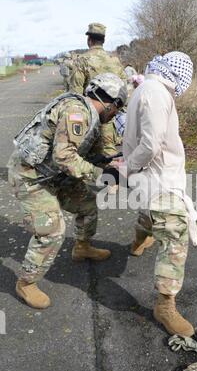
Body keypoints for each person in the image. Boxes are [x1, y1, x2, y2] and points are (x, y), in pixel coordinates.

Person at [7, 73, 127, 310]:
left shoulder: (90, 118)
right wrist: (103, 175)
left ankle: (82, 248)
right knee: (52, 230)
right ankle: (26, 282)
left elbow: (87, 155)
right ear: (111, 103)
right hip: (31, 177)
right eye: (117, 109)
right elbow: (65, 158)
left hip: (54, 174)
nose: (115, 115)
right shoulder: (77, 112)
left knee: (88, 205)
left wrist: (110, 163)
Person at [122, 51, 197, 338]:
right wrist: (128, 168)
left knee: (150, 215)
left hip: (151, 179)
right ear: (178, 74)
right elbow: (151, 144)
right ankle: (165, 307)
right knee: (175, 235)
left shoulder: (147, 88)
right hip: (159, 179)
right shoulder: (156, 92)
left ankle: (138, 241)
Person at [69, 23, 126, 156]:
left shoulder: (81, 61)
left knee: (84, 159)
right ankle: (113, 176)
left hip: (88, 118)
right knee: (109, 157)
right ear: (103, 41)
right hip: (110, 117)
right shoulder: (115, 61)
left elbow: (74, 96)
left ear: (89, 40)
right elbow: (124, 92)